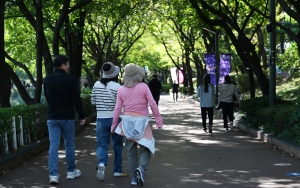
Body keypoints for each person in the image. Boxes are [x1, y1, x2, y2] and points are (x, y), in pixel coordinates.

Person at [111, 63, 163, 186]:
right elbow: (153, 104)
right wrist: (158, 120)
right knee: (146, 148)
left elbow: (117, 109)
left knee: (130, 151)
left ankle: (133, 178)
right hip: (143, 122)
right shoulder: (143, 86)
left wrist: (113, 126)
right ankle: (142, 168)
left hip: (127, 123)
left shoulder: (121, 89)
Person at [43, 55, 86, 185]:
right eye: (67, 64)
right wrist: (82, 115)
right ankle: (71, 171)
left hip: (52, 117)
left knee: (53, 146)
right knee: (69, 144)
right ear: (62, 65)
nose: (68, 67)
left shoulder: (47, 80)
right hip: (67, 117)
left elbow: (48, 97)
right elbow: (76, 99)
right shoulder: (70, 79)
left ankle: (53, 175)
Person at [91, 62, 127, 180]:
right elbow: (122, 105)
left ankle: (101, 162)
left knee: (101, 144)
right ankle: (117, 170)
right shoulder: (118, 87)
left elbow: (93, 101)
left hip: (101, 119)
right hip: (115, 119)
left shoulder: (96, 85)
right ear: (115, 74)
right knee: (117, 145)